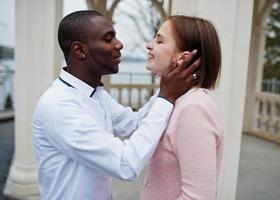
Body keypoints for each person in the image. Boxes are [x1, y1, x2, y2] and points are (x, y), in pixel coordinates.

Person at [32, 10, 200, 200]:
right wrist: (166, 97)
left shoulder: (95, 95)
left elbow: (134, 123)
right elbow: (125, 164)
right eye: (108, 38)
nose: (119, 44)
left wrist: (166, 86)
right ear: (80, 50)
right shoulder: (59, 106)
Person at [139, 15, 224, 200]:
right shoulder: (173, 100)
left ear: (183, 58)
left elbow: (198, 197)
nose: (149, 44)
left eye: (159, 40)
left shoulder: (194, 109)